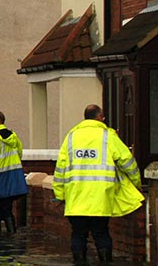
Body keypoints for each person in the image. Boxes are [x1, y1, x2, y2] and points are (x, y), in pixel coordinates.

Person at [53, 104, 143, 265]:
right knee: (101, 232)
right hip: (101, 196)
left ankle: (79, 261)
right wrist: (137, 182)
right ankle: (105, 261)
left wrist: (60, 194)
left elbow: (60, 168)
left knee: (78, 233)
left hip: (76, 196)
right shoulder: (108, 136)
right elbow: (127, 162)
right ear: (99, 117)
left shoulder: (71, 137)